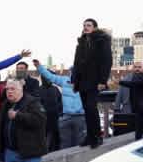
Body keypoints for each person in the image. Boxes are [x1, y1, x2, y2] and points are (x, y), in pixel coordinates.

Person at [71, 19, 112, 148]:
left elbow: (107, 62)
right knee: (86, 109)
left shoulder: (102, 41)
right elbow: (76, 63)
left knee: (91, 107)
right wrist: (74, 81)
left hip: (95, 81)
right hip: (82, 81)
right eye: (84, 25)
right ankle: (89, 136)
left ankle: (97, 137)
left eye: (88, 25)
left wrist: (102, 81)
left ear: (95, 28)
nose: (86, 27)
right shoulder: (81, 43)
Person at [34, 61, 86, 148]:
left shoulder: (86, 83)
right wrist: (39, 67)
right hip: (66, 116)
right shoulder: (65, 81)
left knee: (80, 143)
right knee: (65, 143)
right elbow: (50, 76)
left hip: (80, 116)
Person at [118, 62, 143, 140]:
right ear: (133, 68)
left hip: (141, 105)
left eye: (139, 67)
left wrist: (120, 82)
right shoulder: (134, 76)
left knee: (139, 125)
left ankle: (138, 141)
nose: (137, 69)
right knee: (138, 125)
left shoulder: (139, 77)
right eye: (135, 67)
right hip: (137, 105)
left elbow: (135, 84)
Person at [39, 77, 63, 152]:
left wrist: (60, 112)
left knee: (56, 135)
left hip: (55, 116)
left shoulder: (55, 89)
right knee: (43, 135)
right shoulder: (39, 89)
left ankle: (56, 150)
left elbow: (60, 101)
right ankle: (43, 151)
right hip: (43, 118)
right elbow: (37, 103)